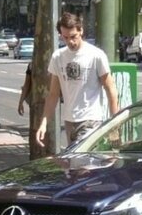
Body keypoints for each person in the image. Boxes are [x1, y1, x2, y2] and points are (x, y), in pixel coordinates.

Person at [36, 12, 119, 148]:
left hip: (91, 120)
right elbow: (53, 94)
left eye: (73, 36)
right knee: (77, 165)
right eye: (65, 37)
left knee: (80, 161)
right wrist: (44, 123)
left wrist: (114, 125)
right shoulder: (58, 57)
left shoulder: (96, 55)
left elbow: (111, 89)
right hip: (69, 121)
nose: (70, 41)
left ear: (81, 31)